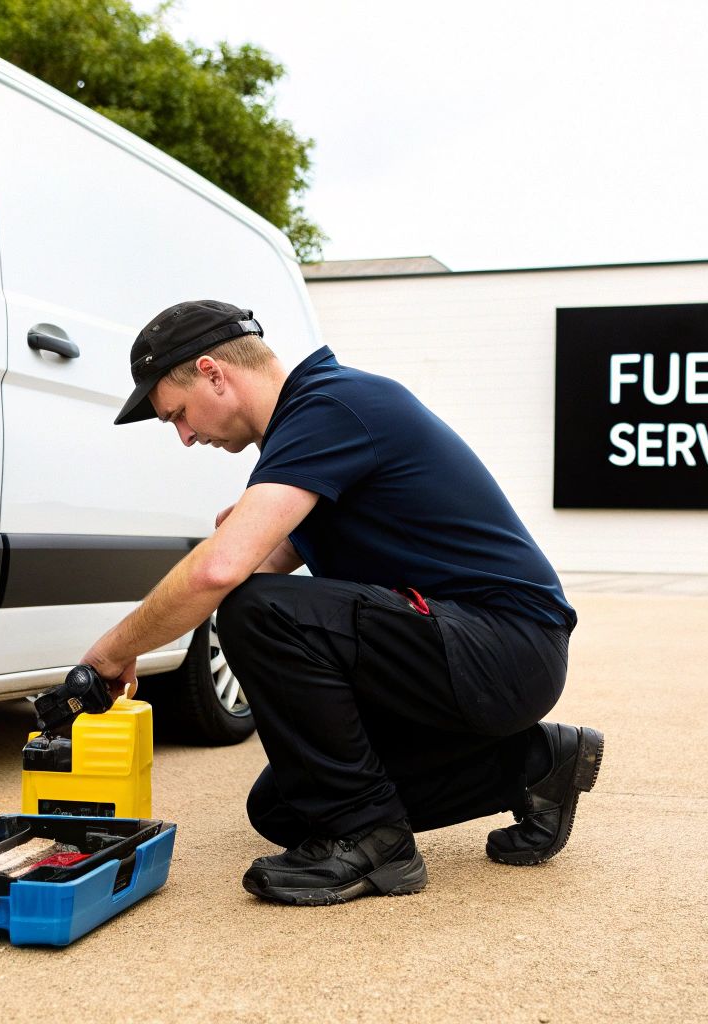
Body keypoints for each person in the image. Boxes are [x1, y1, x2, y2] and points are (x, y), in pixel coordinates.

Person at [80, 299, 601, 906]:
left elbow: (223, 571)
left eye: (178, 414)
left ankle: (375, 843)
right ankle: (534, 763)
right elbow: (255, 559)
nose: (187, 436)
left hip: (504, 644)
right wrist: (248, 533)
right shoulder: (312, 431)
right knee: (283, 807)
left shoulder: (331, 407)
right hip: (464, 650)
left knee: (258, 610)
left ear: (214, 373)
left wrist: (110, 653)